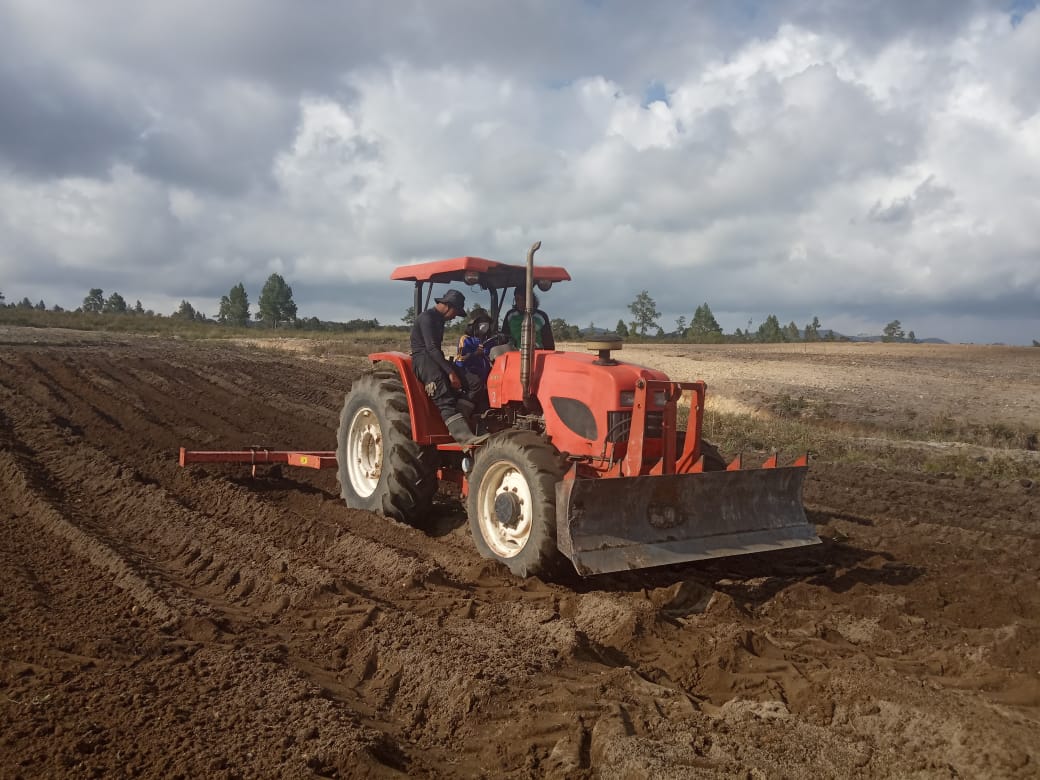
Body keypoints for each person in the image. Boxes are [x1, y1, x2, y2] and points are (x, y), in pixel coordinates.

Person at [410, 288, 476, 444]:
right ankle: (465, 438)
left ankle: (461, 419)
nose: (454, 317)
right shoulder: (426, 318)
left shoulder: (440, 320)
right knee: (442, 392)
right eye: (455, 313)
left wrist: (452, 369)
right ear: (448, 306)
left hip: (435, 357)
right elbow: (431, 348)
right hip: (423, 359)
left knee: (474, 382)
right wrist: (450, 372)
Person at [454, 311, 495, 412]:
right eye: (482, 322)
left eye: (487, 322)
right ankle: (462, 411)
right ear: (474, 325)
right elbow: (460, 359)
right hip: (466, 370)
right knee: (476, 384)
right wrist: (474, 354)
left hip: (483, 372)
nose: (485, 325)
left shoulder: (490, 341)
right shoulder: (466, 339)